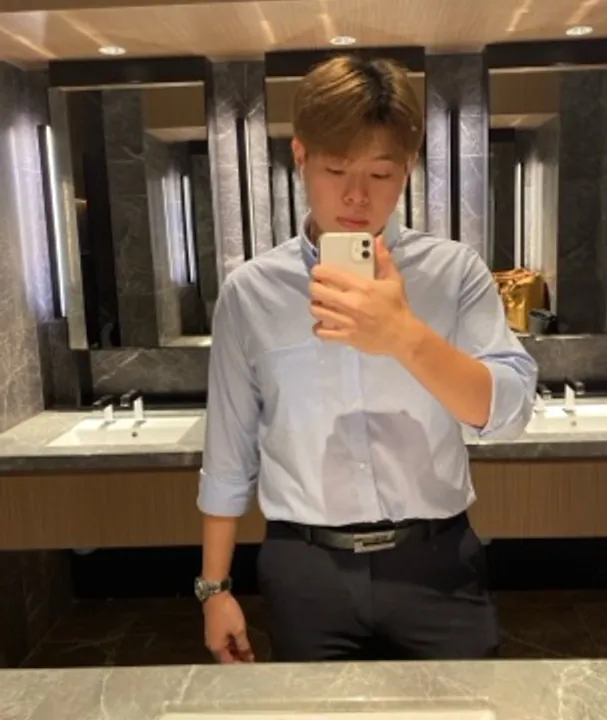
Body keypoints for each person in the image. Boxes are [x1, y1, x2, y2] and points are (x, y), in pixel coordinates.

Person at [195, 54, 538, 663]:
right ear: (300, 156)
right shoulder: (251, 292)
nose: (356, 195)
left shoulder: (453, 273)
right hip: (306, 572)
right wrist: (214, 589)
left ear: (407, 169)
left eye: (381, 173)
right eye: (335, 169)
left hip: (436, 564)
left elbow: (508, 412)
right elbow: (228, 454)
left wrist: (404, 336)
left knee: (461, 707)